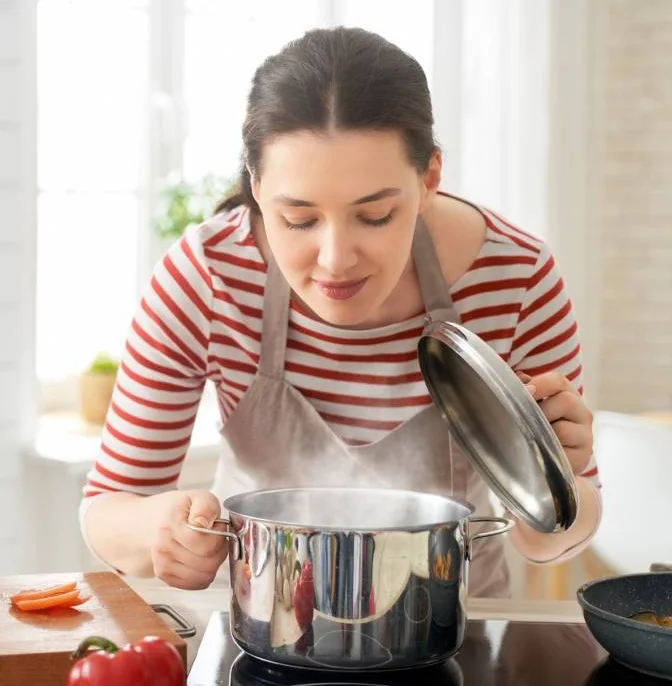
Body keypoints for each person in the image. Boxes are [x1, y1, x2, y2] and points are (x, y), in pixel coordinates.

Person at [78, 26, 602, 598]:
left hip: (457, 635)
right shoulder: (207, 276)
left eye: (375, 216)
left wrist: (559, 478)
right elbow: (108, 507)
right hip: (260, 631)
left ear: (428, 179)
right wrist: (161, 531)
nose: (335, 262)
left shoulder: (514, 277)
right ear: (256, 185)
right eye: (298, 219)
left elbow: (547, 542)